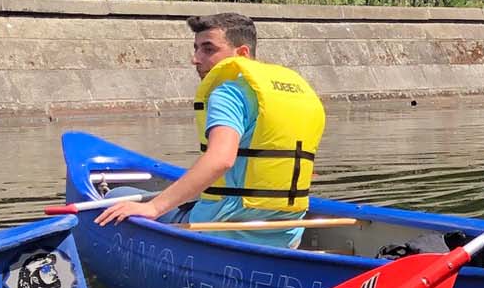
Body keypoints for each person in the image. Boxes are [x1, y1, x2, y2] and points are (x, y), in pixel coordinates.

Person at [95, 13, 327, 246]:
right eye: (196, 49)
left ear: (242, 53)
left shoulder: (229, 93)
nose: (196, 59)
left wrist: (153, 207)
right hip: (285, 236)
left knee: (115, 196)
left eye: (208, 49)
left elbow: (221, 159)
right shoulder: (299, 96)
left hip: (220, 231)